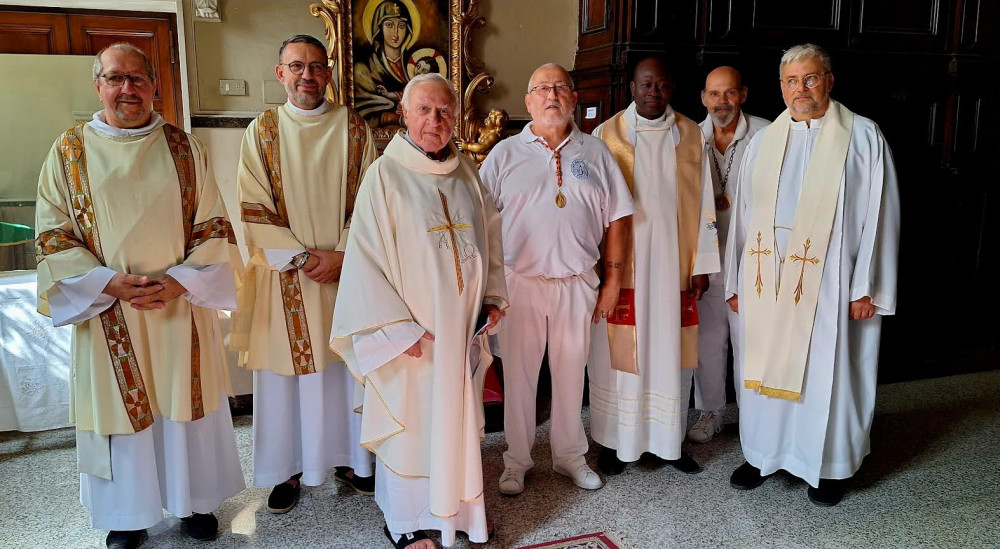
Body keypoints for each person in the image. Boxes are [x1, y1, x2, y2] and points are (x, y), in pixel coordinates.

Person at [34, 42, 245, 548]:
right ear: (98, 86)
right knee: (120, 412)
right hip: (109, 309)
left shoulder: (184, 148)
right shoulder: (69, 151)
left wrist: (181, 281)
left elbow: (214, 224)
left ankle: (194, 503)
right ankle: (127, 516)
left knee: (186, 405)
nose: (127, 88)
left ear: (153, 85)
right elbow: (53, 233)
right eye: (115, 78)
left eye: (137, 78)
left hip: (178, 305)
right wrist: (106, 282)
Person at [330, 73, 508, 548]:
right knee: (412, 426)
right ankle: (405, 520)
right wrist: (395, 331)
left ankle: (465, 512)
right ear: (404, 114)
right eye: (425, 109)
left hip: (461, 330)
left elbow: (491, 238)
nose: (435, 120)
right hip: (412, 336)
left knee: (457, 422)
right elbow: (364, 260)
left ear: (457, 117)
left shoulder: (467, 172)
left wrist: (493, 296)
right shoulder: (384, 176)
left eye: (445, 111)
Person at [724, 43, 900, 506]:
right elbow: (743, 217)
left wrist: (867, 288)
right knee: (762, 367)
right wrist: (736, 281)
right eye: (791, 81)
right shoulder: (764, 141)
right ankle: (763, 454)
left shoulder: (862, 136)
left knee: (828, 375)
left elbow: (880, 214)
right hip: (767, 285)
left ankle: (828, 466)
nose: (800, 88)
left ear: (829, 81)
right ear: (781, 87)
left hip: (832, 287)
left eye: (810, 78)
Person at [232, 34, 377, 515]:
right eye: (297, 66)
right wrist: (303, 259)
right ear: (281, 74)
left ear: (329, 73)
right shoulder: (262, 131)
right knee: (286, 378)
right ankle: (287, 470)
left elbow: (371, 199)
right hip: (286, 279)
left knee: (342, 371)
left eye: (316, 66)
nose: (307, 75)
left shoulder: (354, 129)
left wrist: (342, 254)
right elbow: (253, 204)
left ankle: (351, 462)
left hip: (345, 274)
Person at [480, 63, 635, 495]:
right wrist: (488, 290)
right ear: (528, 101)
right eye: (542, 89)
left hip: (577, 282)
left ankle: (569, 456)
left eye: (560, 88)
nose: (552, 95)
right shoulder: (504, 154)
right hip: (519, 284)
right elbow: (478, 223)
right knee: (521, 377)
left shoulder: (596, 152)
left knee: (570, 374)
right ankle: (517, 460)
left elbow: (619, 219)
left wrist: (612, 282)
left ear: (574, 99)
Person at [588, 56, 719, 476]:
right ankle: (615, 442)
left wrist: (702, 265)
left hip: (673, 266)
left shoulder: (691, 135)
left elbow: (706, 204)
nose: (653, 93)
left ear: (671, 89)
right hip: (622, 266)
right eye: (646, 85)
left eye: (661, 86)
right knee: (618, 355)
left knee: (669, 352)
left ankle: (668, 442)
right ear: (632, 87)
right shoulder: (605, 135)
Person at [687, 66, 770, 443]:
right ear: (704, 98)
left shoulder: (766, 135)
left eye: (730, 93)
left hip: (751, 262)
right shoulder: (690, 138)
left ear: (743, 94)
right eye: (715, 94)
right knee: (707, 344)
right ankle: (711, 412)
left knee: (751, 345)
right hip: (706, 263)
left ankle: (755, 417)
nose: (722, 101)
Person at [354, 0, 414, 128]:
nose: (396, 33)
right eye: (389, 25)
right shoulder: (364, 69)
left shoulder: (417, 63)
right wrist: (392, 118)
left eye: (401, 26)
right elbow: (363, 111)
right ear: (379, 28)